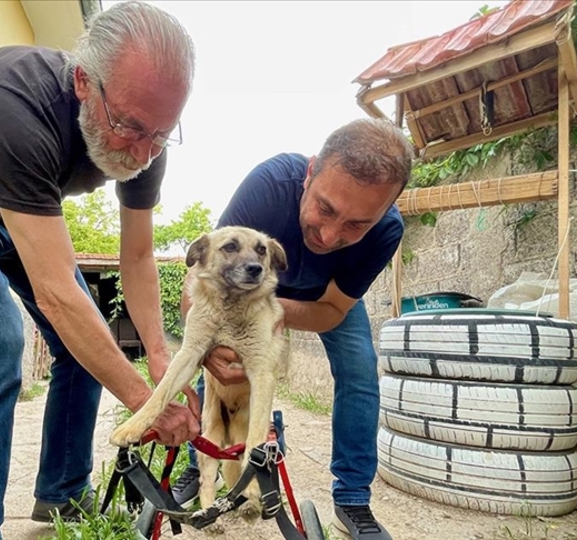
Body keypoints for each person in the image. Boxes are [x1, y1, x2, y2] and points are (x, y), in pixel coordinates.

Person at [0, 3, 201, 539]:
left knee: (89, 343)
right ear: (84, 81)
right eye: (130, 126)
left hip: (19, 209)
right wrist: (144, 404)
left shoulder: (145, 135)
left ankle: (63, 493)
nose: (143, 152)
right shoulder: (14, 100)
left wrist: (157, 358)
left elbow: (138, 257)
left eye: (161, 133)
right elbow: (57, 295)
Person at [174, 118, 411, 540]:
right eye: (325, 208)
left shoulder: (387, 230)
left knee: (359, 369)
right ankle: (202, 465)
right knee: (214, 354)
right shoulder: (268, 185)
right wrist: (211, 347)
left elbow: (335, 309)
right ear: (310, 173)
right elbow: (203, 278)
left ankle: (353, 499)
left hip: (323, 296)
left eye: (357, 225)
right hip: (251, 283)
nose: (330, 234)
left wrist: (274, 310)